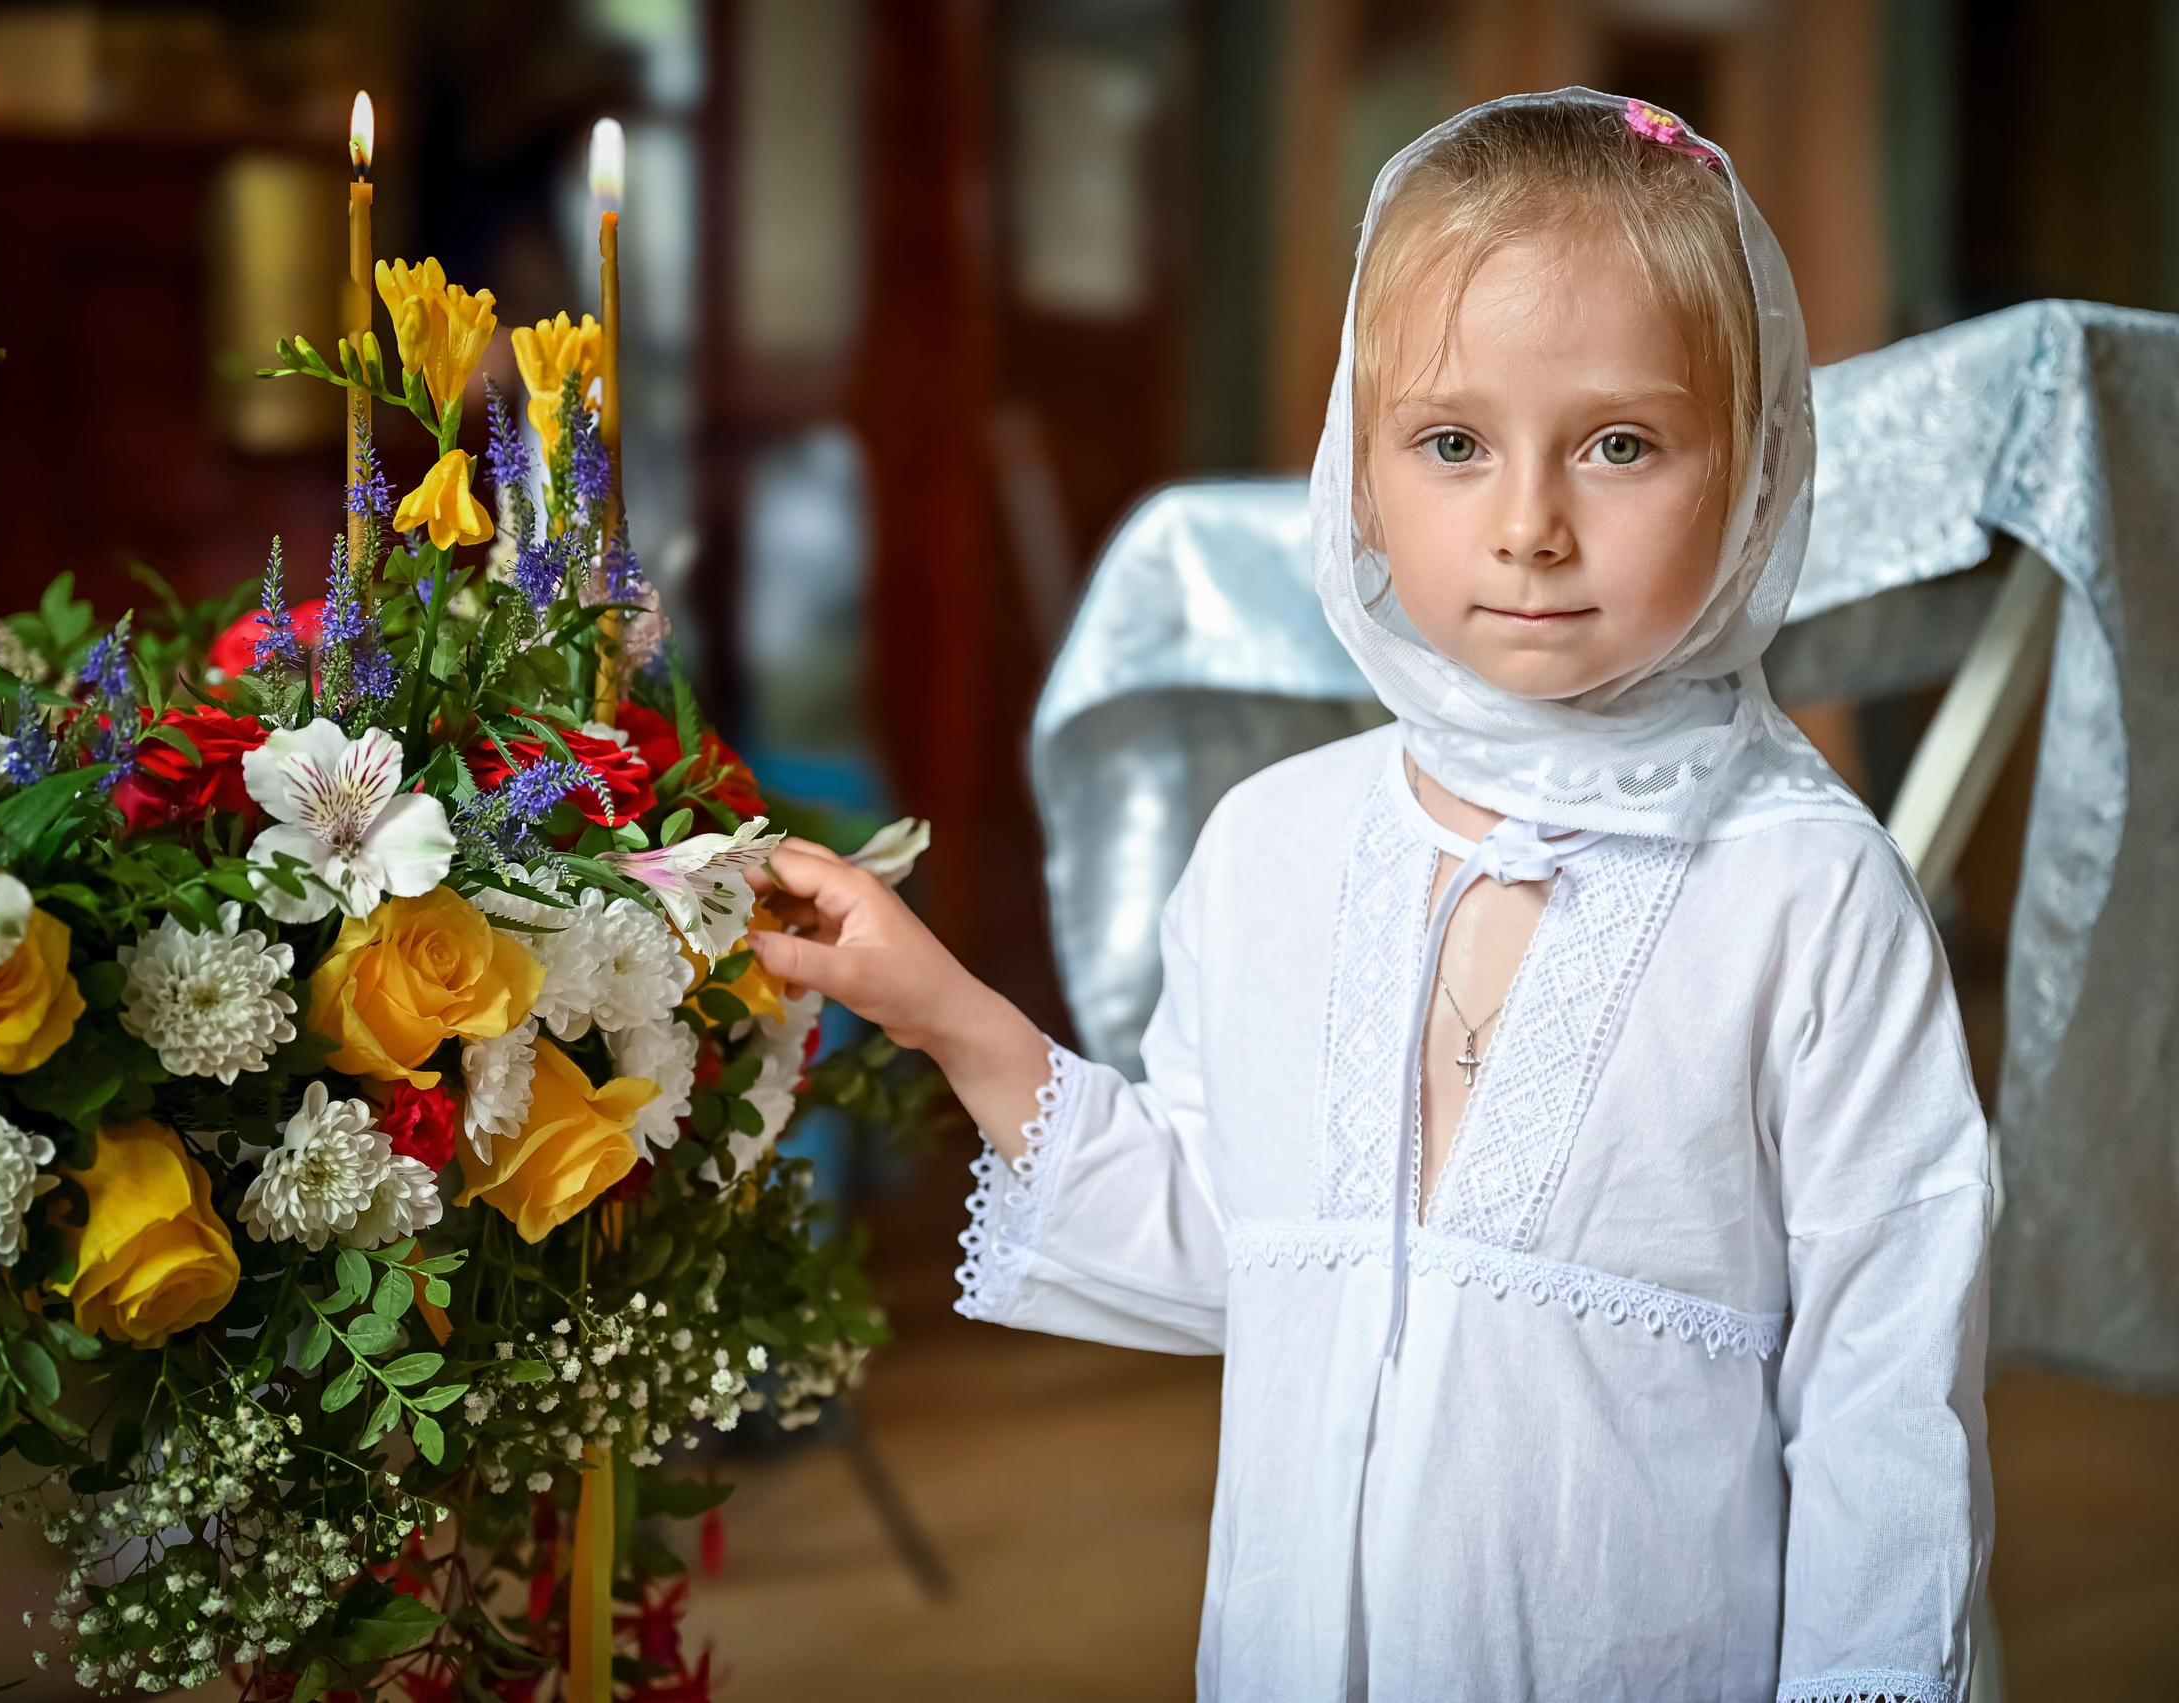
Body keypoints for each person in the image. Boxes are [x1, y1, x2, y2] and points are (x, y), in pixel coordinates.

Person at [748, 89, 1991, 1703]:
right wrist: (947, 1014)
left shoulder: (1810, 898)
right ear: (1358, 462)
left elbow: (1892, 1401)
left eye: (1620, 444)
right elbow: (1228, 1253)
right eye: (1454, 443)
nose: (1533, 524)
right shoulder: (1273, 849)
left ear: (1748, 466)